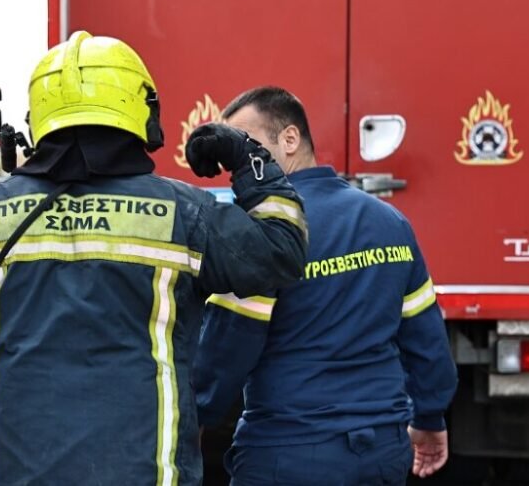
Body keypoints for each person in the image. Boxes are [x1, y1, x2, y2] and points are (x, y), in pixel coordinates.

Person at [0, 32, 309, 484]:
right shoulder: (185, 215)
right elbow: (281, 254)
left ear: (39, 119)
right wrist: (249, 160)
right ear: (143, 113)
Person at [195, 86, 457, 486]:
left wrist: (193, 417)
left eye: (247, 148)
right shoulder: (390, 222)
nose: (240, 166)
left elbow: (227, 348)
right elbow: (426, 338)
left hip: (288, 453)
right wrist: (429, 417)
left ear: (289, 139)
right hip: (382, 453)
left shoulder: (263, 233)